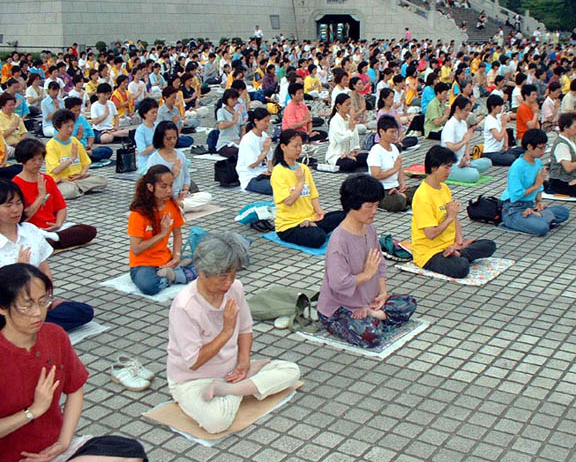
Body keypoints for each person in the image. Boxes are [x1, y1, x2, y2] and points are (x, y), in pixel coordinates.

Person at [0, 263, 148, 462]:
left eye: (43, 301)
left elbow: (75, 389)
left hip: (52, 451)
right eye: (26, 305)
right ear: (2, 307)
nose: (37, 312)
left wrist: (63, 442)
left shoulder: (54, 335)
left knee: (131, 453)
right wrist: (33, 411)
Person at [167, 233, 300, 434]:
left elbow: (245, 328)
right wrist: (227, 331)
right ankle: (245, 387)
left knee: (291, 370)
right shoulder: (185, 306)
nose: (228, 283)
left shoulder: (235, 288)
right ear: (201, 272)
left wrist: (244, 363)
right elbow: (193, 362)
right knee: (216, 422)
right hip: (193, 380)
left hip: (231, 371)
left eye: (233, 275)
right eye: (222, 277)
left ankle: (231, 389)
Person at [317, 174, 417, 348]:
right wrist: (366, 274)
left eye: (376, 205)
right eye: (369, 206)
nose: (374, 211)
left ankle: (375, 315)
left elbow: (380, 264)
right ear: (352, 205)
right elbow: (338, 283)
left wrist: (383, 294)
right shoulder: (339, 240)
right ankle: (377, 319)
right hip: (340, 308)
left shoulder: (369, 228)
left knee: (409, 303)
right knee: (371, 335)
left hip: (369, 302)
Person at [0, 180, 94, 332]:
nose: (15, 209)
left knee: (83, 311)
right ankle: (30, 326)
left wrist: (45, 301)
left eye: (18, 203)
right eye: (8, 205)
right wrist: (20, 272)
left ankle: (30, 326)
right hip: (6, 307)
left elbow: (45, 271)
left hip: (34, 303)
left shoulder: (30, 230)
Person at [410, 146, 496, 278]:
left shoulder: (444, 188)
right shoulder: (423, 196)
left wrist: (459, 242)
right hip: (430, 253)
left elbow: (455, 219)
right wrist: (450, 217)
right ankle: (459, 255)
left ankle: (458, 253)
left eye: (450, 167)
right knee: (461, 267)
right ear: (433, 167)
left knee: (489, 245)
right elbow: (430, 234)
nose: (449, 171)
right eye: (446, 167)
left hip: (450, 245)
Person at [13, 138, 97, 250]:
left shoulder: (47, 179)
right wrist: (41, 196)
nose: (38, 163)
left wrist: (58, 223)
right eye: (33, 160)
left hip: (52, 228)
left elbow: (61, 206)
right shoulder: (15, 185)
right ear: (23, 160)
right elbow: (23, 217)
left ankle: (51, 240)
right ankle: (49, 241)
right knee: (26, 236)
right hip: (31, 228)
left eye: (40, 159)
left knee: (89, 230)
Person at [127, 164, 197, 296]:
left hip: (167, 259)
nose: (169, 190)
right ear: (150, 187)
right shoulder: (138, 213)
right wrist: (162, 234)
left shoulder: (172, 205)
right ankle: (176, 275)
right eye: (163, 186)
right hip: (143, 264)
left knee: (208, 262)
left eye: (171, 185)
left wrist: (176, 257)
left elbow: (177, 235)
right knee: (149, 286)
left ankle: (173, 273)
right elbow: (136, 249)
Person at [270, 129, 345, 248]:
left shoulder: (304, 168)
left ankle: (312, 226)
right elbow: (288, 201)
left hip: (310, 218)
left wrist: (320, 212)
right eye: (295, 146)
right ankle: (312, 228)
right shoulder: (278, 172)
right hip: (290, 225)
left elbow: (313, 195)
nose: (299, 149)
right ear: (283, 147)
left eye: (301, 146)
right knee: (318, 237)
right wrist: (300, 182)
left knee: (345, 216)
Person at [500, 129, 570, 236]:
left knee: (563, 212)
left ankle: (536, 215)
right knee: (542, 228)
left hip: (530, 206)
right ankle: (538, 217)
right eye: (541, 148)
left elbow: (540, 187)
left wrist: (539, 201)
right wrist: (536, 185)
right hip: (513, 209)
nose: (543, 151)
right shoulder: (517, 166)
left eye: (545, 147)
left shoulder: (538, 162)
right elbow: (516, 194)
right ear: (529, 147)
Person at [145, 121, 212, 212]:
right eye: (168, 138)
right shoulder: (154, 159)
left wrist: (185, 190)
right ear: (160, 138)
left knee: (206, 197)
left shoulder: (180, 155)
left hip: (181, 196)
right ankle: (176, 206)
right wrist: (173, 174)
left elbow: (187, 176)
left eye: (175, 137)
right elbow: (153, 184)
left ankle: (178, 205)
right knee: (169, 209)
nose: (172, 141)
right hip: (163, 197)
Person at [45, 109, 108, 200]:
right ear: (58, 127)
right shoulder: (51, 145)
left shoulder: (74, 140)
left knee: (102, 180)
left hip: (78, 179)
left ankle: (77, 188)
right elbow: (56, 170)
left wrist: (82, 174)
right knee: (69, 190)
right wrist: (72, 159)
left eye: (72, 126)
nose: (70, 130)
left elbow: (86, 162)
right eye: (67, 127)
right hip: (61, 181)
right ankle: (77, 188)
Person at [368, 115, 415, 212]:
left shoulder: (394, 148)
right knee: (398, 202)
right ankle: (404, 199)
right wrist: (394, 169)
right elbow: (376, 175)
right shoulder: (376, 150)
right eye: (391, 132)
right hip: (382, 191)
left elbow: (400, 169)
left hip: (396, 188)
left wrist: (402, 185)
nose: (394, 135)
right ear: (382, 132)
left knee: (422, 190)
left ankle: (403, 197)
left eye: (395, 132)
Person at [441, 96, 491, 183]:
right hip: (450, 165)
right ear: (457, 109)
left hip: (461, 162)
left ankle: (465, 169)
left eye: (469, 110)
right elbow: (451, 147)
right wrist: (464, 141)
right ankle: (464, 171)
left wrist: (467, 156)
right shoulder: (450, 125)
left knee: (487, 162)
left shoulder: (463, 123)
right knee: (474, 175)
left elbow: (467, 142)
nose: (468, 113)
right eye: (466, 110)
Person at [325, 93, 367, 171]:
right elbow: (340, 139)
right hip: (337, 154)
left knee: (367, 157)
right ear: (338, 105)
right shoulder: (335, 121)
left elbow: (355, 137)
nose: (349, 107)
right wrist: (350, 130)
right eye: (347, 105)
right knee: (350, 163)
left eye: (350, 104)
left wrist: (354, 150)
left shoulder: (349, 118)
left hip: (348, 153)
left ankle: (352, 158)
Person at [236, 108, 273, 195]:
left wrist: (270, 169)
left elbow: (270, 158)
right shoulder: (248, 139)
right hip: (251, 178)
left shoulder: (264, 135)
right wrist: (265, 151)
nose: (267, 124)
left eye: (268, 121)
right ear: (256, 121)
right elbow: (252, 165)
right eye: (265, 121)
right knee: (276, 186)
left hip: (263, 173)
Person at [65, 97, 114, 163]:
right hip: (71, 151)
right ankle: (84, 155)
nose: (78, 113)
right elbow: (63, 142)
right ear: (68, 110)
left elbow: (91, 134)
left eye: (79, 110)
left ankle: (86, 154)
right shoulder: (63, 123)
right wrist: (78, 137)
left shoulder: (81, 119)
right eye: (75, 111)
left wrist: (89, 145)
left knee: (107, 150)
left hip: (85, 149)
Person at [482, 95, 523, 166]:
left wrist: (506, 145)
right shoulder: (489, 120)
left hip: (500, 150)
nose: (501, 108)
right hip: (491, 152)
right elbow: (499, 137)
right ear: (493, 107)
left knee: (522, 150)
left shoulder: (498, 117)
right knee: (511, 159)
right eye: (499, 106)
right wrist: (504, 126)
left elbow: (505, 133)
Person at [134, 97, 160, 173]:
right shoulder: (140, 130)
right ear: (145, 114)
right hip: (147, 162)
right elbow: (142, 152)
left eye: (156, 112)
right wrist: (156, 145)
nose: (155, 115)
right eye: (153, 113)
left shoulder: (158, 125)